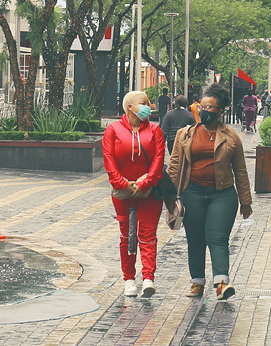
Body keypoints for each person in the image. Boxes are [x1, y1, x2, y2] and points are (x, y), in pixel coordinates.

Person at [167, 82, 252, 301]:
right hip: (192, 193)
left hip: (222, 194)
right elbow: (175, 165)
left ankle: (221, 283)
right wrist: (167, 197)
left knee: (217, 237)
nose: (203, 110)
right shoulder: (184, 134)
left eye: (209, 107)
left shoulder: (231, 137)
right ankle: (197, 282)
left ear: (220, 111)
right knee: (195, 239)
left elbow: (240, 170)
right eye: (201, 106)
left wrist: (246, 201)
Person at [102, 89, 166, 298]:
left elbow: (158, 160)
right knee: (126, 235)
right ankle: (129, 279)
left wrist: (145, 183)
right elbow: (109, 161)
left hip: (149, 191)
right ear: (130, 107)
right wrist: (122, 184)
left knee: (148, 235)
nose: (149, 106)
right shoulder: (112, 130)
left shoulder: (155, 131)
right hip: (122, 192)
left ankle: (148, 277)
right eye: (144, 102)